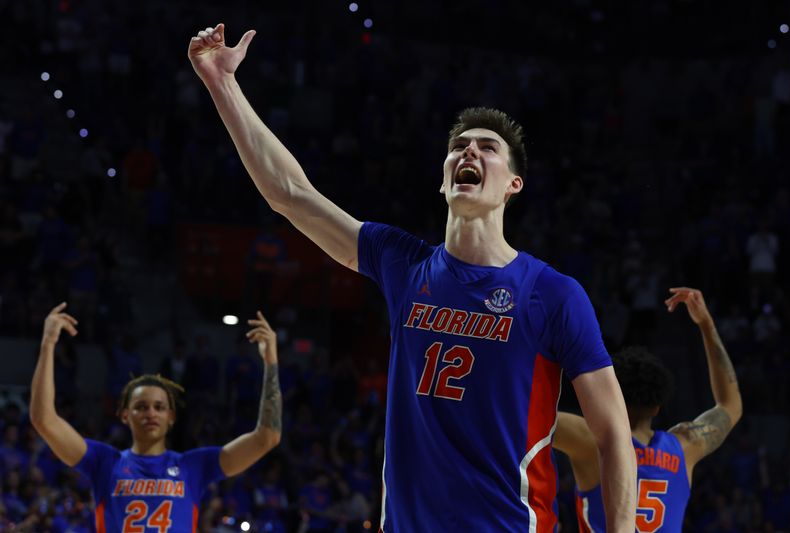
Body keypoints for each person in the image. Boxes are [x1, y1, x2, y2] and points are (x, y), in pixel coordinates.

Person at [188, 23, 636, 531]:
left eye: (487, 148)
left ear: (514, 184)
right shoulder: (403, 264)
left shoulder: (553, 294)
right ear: (442, 179)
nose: (469, 152)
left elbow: (615, 435)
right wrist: (222, 84)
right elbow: (290, 195)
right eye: (459, 146)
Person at [29, 303, 282, 531]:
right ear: (125, 415)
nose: (151, 413)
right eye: (141, 407)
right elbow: (44, 420)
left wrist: (271, 363)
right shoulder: (103, 462)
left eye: (159, 407)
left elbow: (267, 437)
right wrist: (48, 344)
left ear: (171, 417)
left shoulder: (194, 466)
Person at [553, 287, 743, 532]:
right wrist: (706, 325)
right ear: (657, 407)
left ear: (613, 396)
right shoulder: (684, 447)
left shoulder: (591, 441)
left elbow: (518, 415)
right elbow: (731, 405)